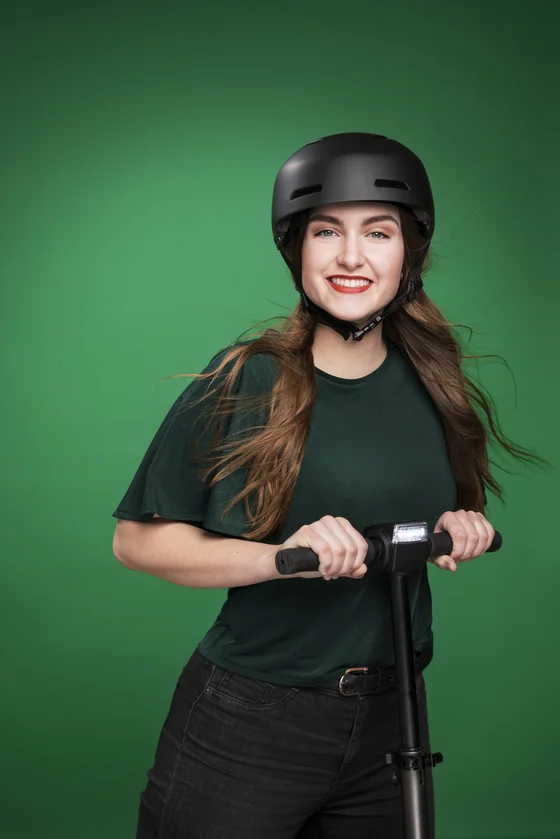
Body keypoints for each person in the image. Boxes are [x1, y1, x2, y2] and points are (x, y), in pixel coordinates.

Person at [111, 133, 541, 839]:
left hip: (393, 714)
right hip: (250, 724)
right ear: (296, 249)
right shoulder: (248, 375)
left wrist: (461, 524)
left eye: (378, 232)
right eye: (325, 232)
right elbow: (135, 540)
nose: (350, 256)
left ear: (409, 251)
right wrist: (283, 555)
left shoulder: (435, 377)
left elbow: (426, 508)